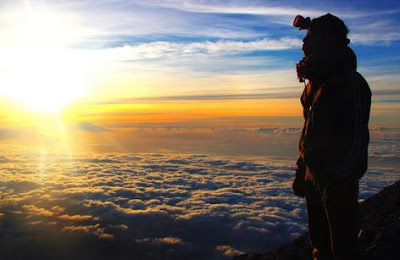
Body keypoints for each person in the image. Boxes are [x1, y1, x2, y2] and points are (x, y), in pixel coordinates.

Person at [292, 13, 371, 260]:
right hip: (313, 173)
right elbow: (310, 129)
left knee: (343, 247)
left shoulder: (348, 82)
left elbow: (357, 134)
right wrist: (302, 168)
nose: (304, 43)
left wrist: (342, 177)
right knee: (320, 244)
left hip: (336, 178)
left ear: (328, 41)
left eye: (311, 36)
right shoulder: (314, 84)